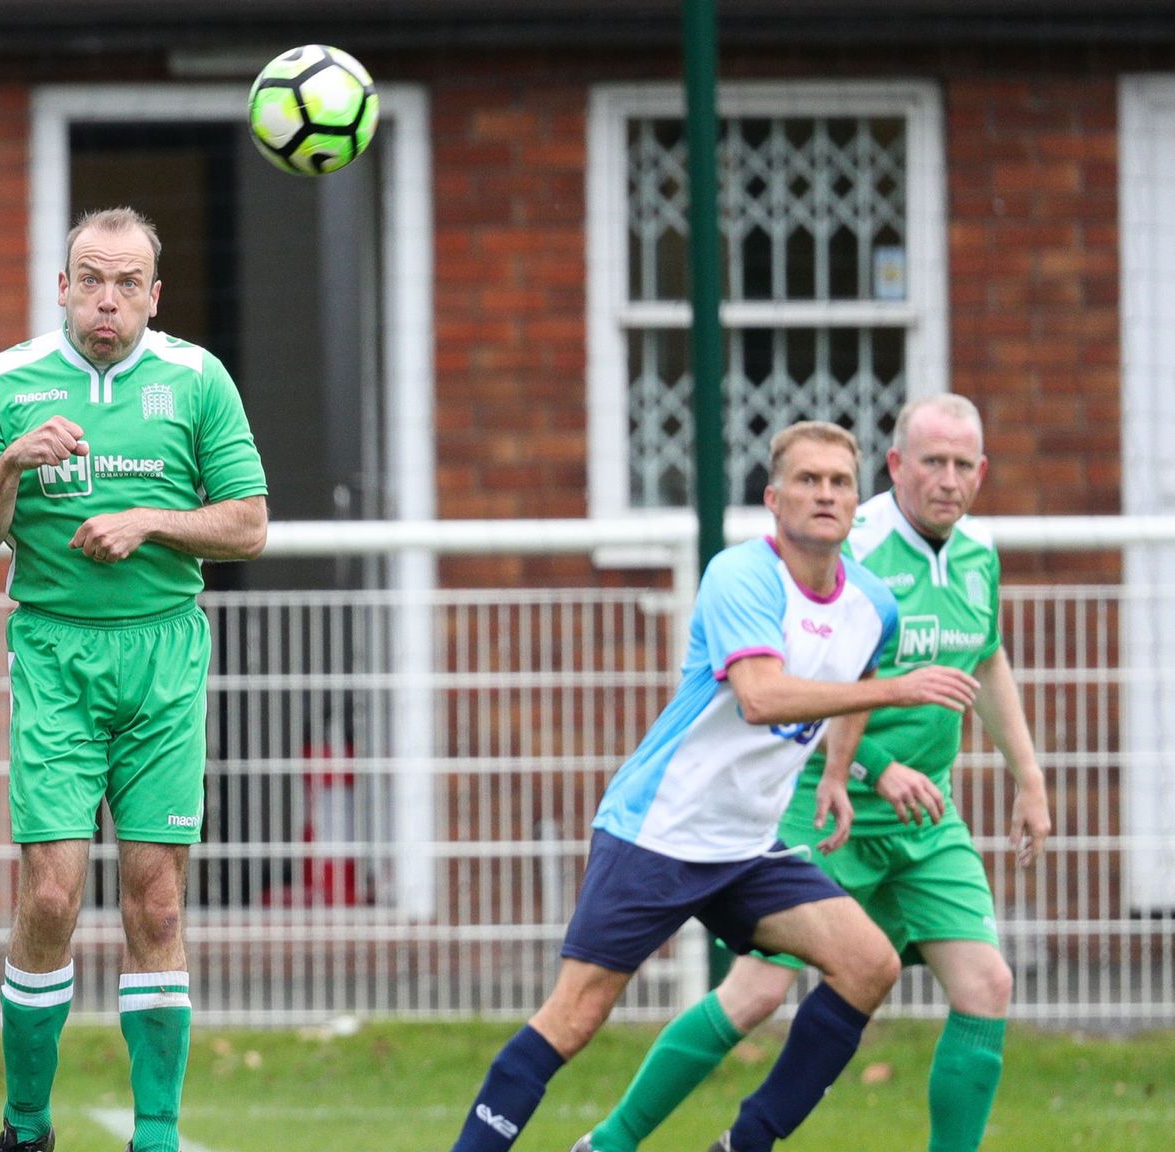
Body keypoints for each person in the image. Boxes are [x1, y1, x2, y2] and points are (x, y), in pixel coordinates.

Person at [448, 421, 984, 1152]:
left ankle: (744, 1145)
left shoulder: (871, 602)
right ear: (773, 498)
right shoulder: (741, 576)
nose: (825, 494)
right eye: (807, 480)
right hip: (658, 832)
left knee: (868, 965)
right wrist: (899, 694)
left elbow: (854, 674)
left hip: (745, 847)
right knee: (574, 1017)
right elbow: (762, 696)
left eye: (839, 482)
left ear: (860, 502)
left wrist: (837, 771)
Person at [574, 394, 1050, 1152]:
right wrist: (875, 762)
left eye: (963, 465)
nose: (948, 480)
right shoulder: (850, 545)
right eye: (932, 462)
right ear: (896, 466)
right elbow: (803, 679)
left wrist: (1028, 777)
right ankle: (613, 1140)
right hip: (829, 808)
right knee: (758, 990)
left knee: (987, 986)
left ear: (982, 472)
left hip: (928, 822)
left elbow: (985, 659)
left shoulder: (977, 555)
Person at [0, 206, 270, 1152]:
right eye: (91, 278)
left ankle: (157, 1135)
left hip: (163, 652)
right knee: (50, 897)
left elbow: (249, 522)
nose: (107, 300)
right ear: (61, 286)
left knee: (156, 901)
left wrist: (150, 520)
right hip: (53, 653)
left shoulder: (197, 379)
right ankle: (28, 1124)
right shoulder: (9, 381)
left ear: (154, 298)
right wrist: (10, 460)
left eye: (128, 284)